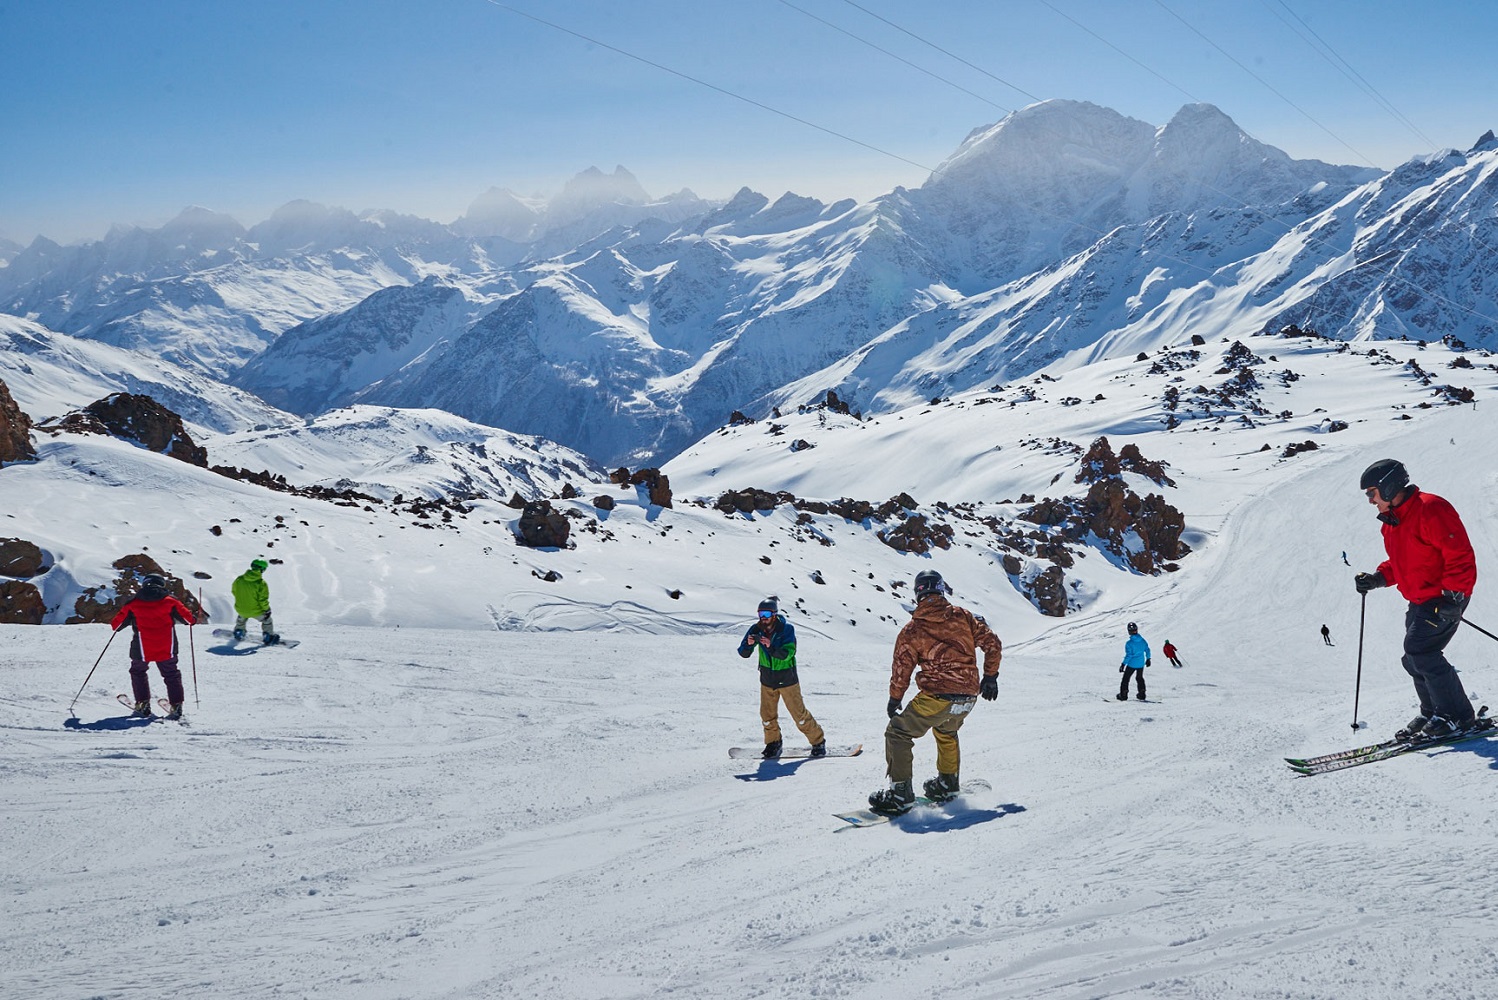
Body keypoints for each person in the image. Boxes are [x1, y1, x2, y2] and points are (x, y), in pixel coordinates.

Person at [1354, 458, 1477, 740]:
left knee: (1422, 652)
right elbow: (1403, 562)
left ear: (1388, 486)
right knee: (1413, 658)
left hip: (1443, 598)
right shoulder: (1393, 522)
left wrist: (1454, 597)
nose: (1370, 501)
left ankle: (1458, 716)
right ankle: (1433, 711)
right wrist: (1377, 578)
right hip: (1420, 599)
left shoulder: (1431, 509)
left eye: (1371, 492)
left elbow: (1460, 555)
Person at [867, 570, 1002, 816]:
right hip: (968, 696)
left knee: (898, 733)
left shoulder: (913, 629)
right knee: (946, 730)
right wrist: (990, 676)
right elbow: (993, 643)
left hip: (938, 695)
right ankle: (947, 784)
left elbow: (902, 668)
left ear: (918, 594)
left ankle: (900, 795)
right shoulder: (963, 616)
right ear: (941, 590)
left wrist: (895, 698)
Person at [736, 597, 825, 759]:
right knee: (767, 716)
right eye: (760, 613)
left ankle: (818, 741)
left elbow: (787, 654)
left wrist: (770, 646)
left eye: (766, 613)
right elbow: (743, 653)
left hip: (787, 679)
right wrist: (749, 644)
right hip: (767, 679)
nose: (763, 617)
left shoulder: (786, 630)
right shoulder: (756, 629)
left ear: (774, 614)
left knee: (799, 715)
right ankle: (773, 743)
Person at [109, 573, 195, 719]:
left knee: (138, 672)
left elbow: (116, 626)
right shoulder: (171, 601)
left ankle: (143, 704)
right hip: (167, 646)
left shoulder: (133, 603)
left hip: (142, 647)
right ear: (161, 585)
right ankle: (177, 706)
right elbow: (189, 620)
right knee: (171, 674)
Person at [232, 558, 280, 645]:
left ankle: (239, 632)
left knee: (241, 620)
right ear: (262, 569)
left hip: (241, 609)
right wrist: (267, 609)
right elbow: (262, 600)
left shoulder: (239, 579)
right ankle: (268, 636)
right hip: (256, 611)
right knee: (267, 621)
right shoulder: (261, 583)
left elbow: (234, 591)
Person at [1117, 622, 1150, 701]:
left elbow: (1129, 655)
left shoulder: (1129, 643)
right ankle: (1142, 693)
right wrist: (1148, 659)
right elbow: (1147, 650)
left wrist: (1123, 664)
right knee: (1139, 678)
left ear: (1129, 631)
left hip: (1132, 664)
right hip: (1141, 663)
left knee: (1126, 679)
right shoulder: (1142, 640)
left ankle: (1123, 694)